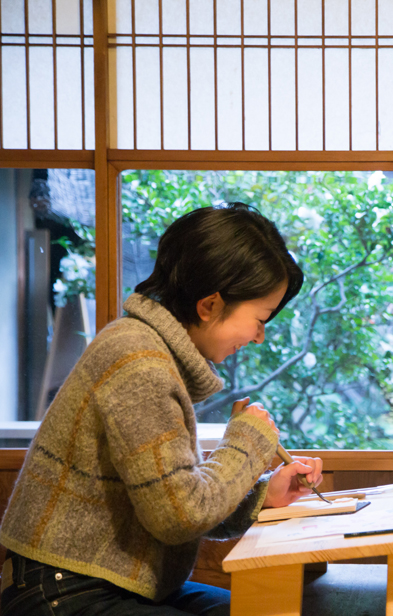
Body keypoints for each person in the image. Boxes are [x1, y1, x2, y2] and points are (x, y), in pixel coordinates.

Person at [0, 203, 322, 616]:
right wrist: (244, 442)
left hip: (116, 584)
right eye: (260, 318)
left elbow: (171, 498)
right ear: (209, 306)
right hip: (62, 592)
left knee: (265, 609)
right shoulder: (138, 359)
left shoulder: (152, 353)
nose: (259, 337)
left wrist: (263, 496)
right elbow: (179, 517)